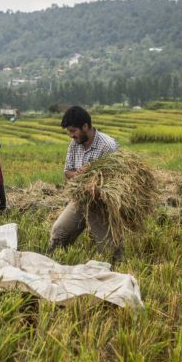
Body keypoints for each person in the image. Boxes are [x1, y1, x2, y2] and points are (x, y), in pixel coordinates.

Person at [48, 106, 120, 257]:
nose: (71, 135)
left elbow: (116, 181)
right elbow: (67, 172)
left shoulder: (107, 146)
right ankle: (55, 261)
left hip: (101, 203)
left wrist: (92, 178)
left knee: (108, 251)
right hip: (81, 198)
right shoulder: (75, 145)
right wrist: (80, 175)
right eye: (69, 131)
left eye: (73, 131)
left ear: (85, 127)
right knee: (58, 232)